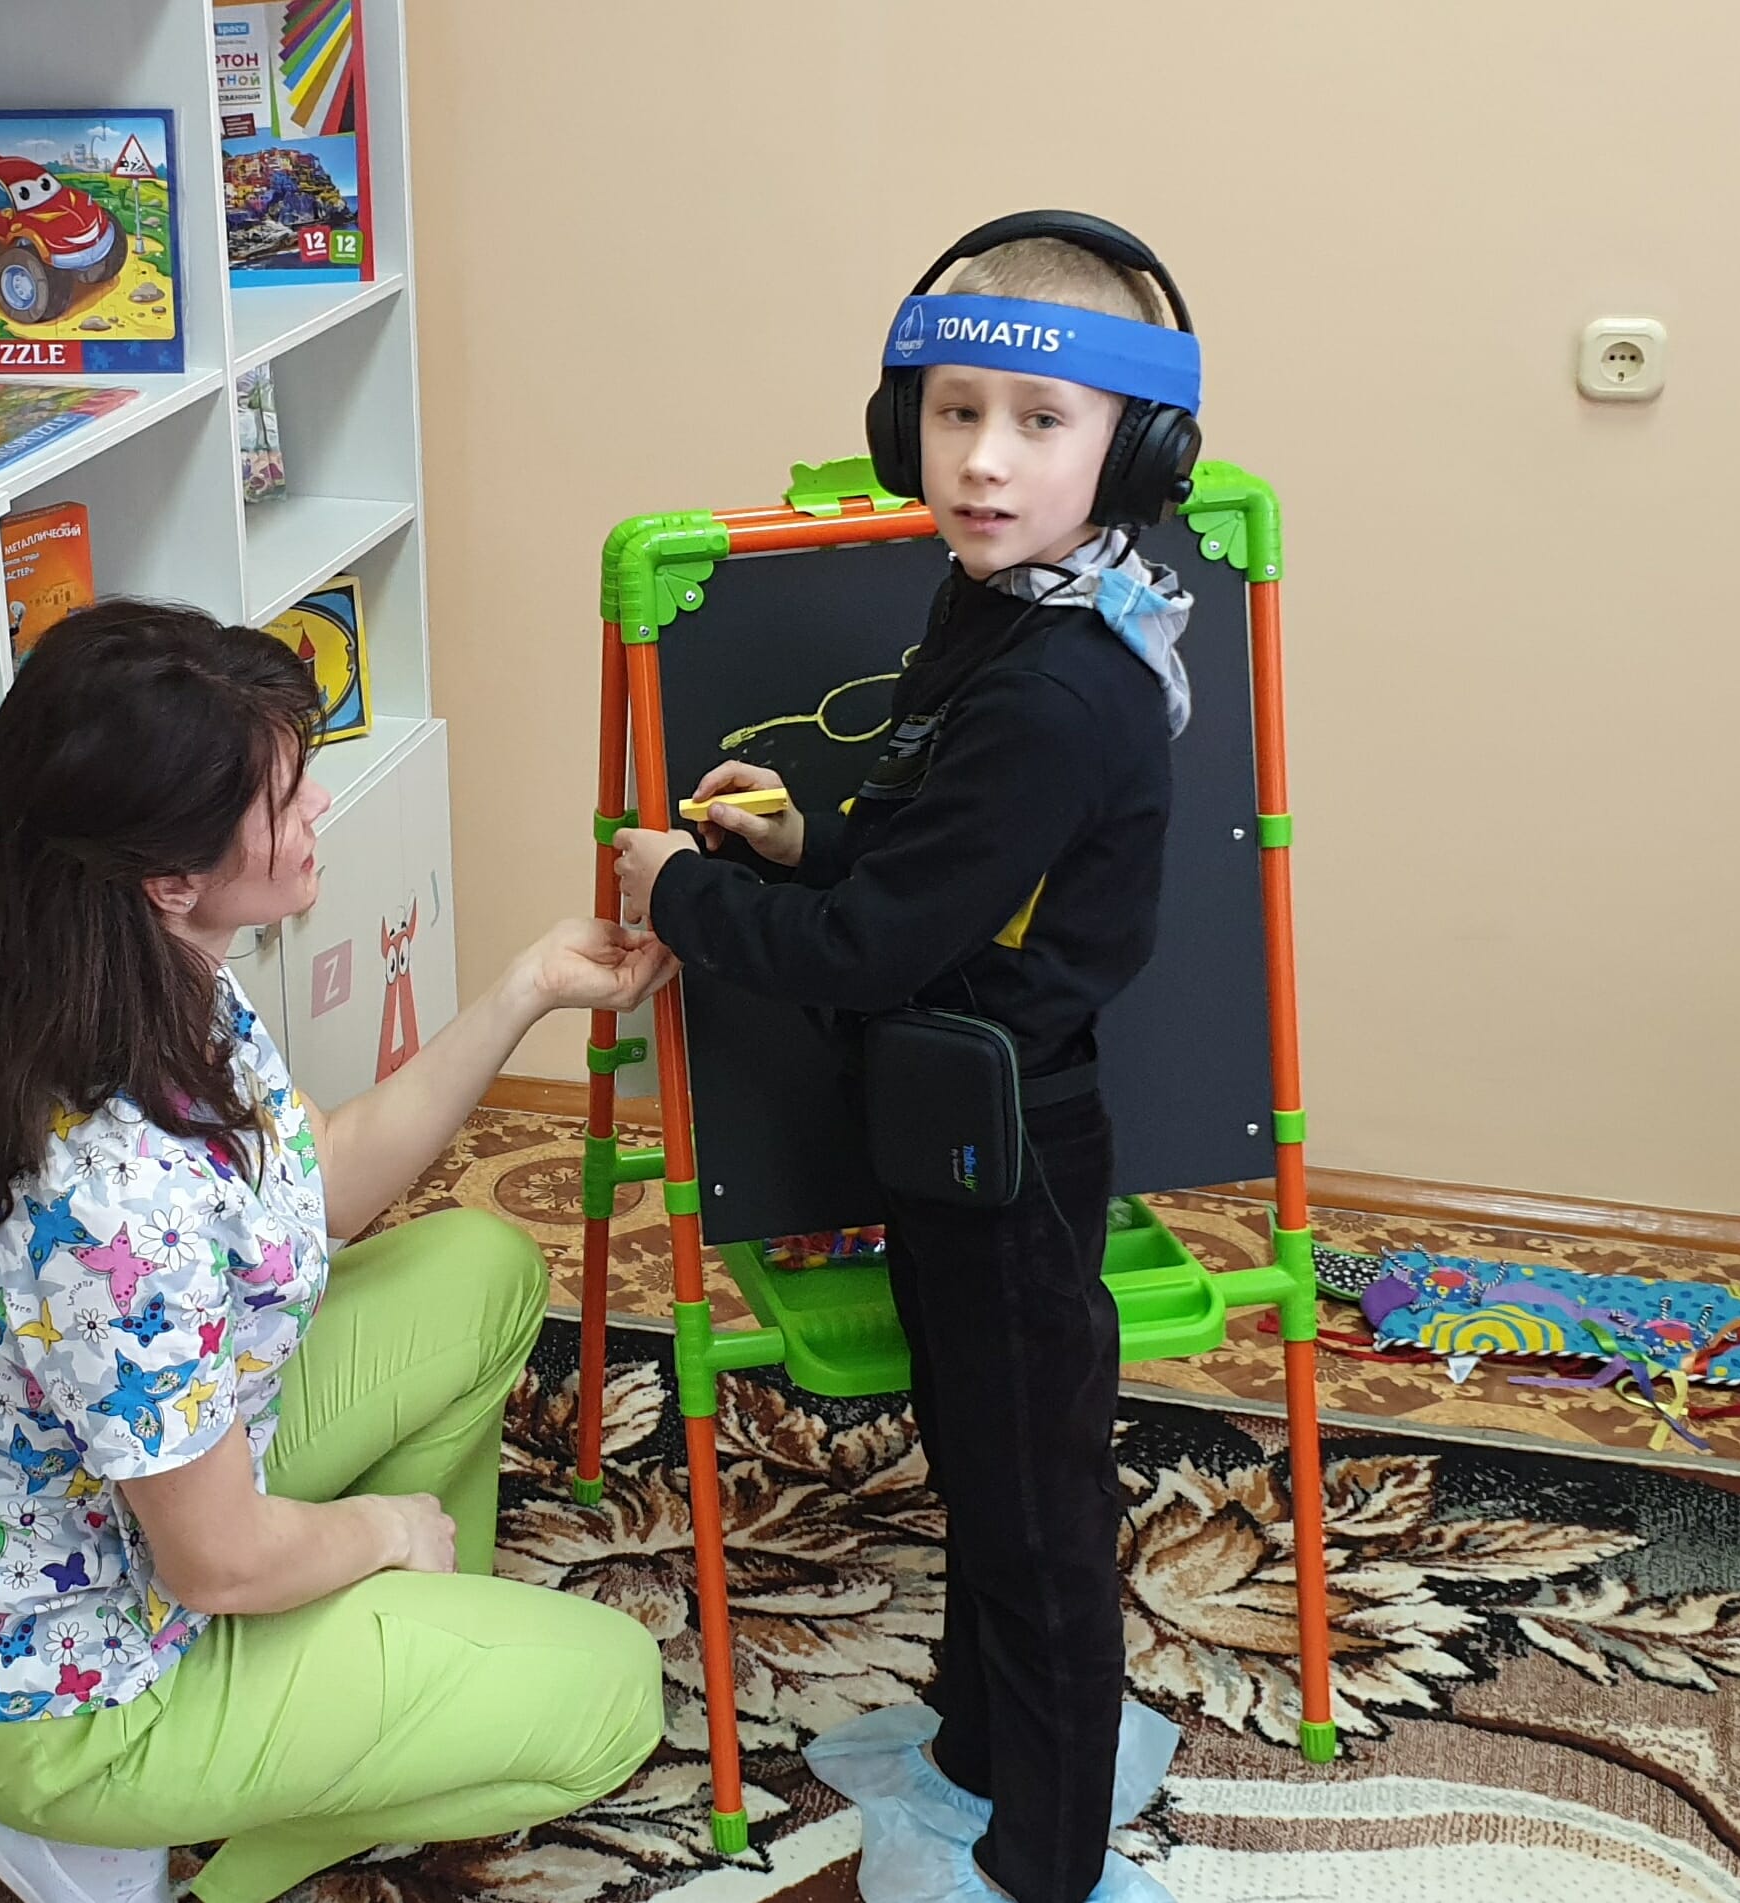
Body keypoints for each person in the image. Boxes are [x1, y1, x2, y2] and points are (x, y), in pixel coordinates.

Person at [0, 599, 678, 1903]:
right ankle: (154, 1856)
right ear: (170, 873)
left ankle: (390, 1655)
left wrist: (524, 990)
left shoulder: (133, 973)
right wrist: (383, 1528)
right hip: (69, 1682)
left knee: (481, 1269)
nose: (318, 808)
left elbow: (311, 1178)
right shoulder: (111, 1200)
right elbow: (213, 1560)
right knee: (611, 1699)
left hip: (120, 1503)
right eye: (285, 798)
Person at [610, 212, 1205, 1903]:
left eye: (1040, 423)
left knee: (1034, 1510)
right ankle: (973, 1749)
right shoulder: (998, 607)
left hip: (1011, 1144)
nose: (984, 459)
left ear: (1133, 450)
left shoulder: (1059, 684)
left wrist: (683, 894)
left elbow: (879, 949)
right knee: (979, 1454)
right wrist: (804, 843)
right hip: (952, 1120)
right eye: (953, 414)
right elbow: (937, 862)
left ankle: (1045, 1851)